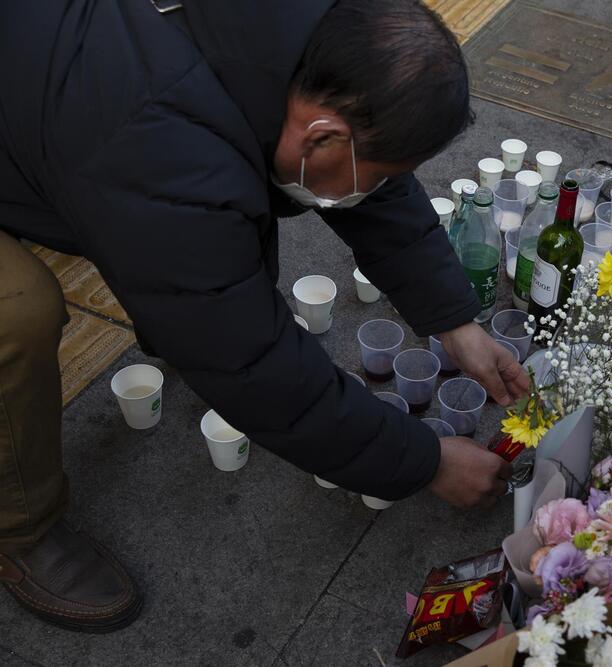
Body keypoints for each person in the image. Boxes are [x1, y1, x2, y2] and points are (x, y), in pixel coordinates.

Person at [0, 0, 529, 633]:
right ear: (320, 135)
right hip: (77, 113)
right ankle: (20, 524)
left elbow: (374, 183)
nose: (376, 187)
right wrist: (425, 460)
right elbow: (251, 364)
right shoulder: (162, 156)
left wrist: (455, 323)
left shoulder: (317, 42)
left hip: (47, 84)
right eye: (378, 174)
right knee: (18, 312)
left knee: (190, 274)